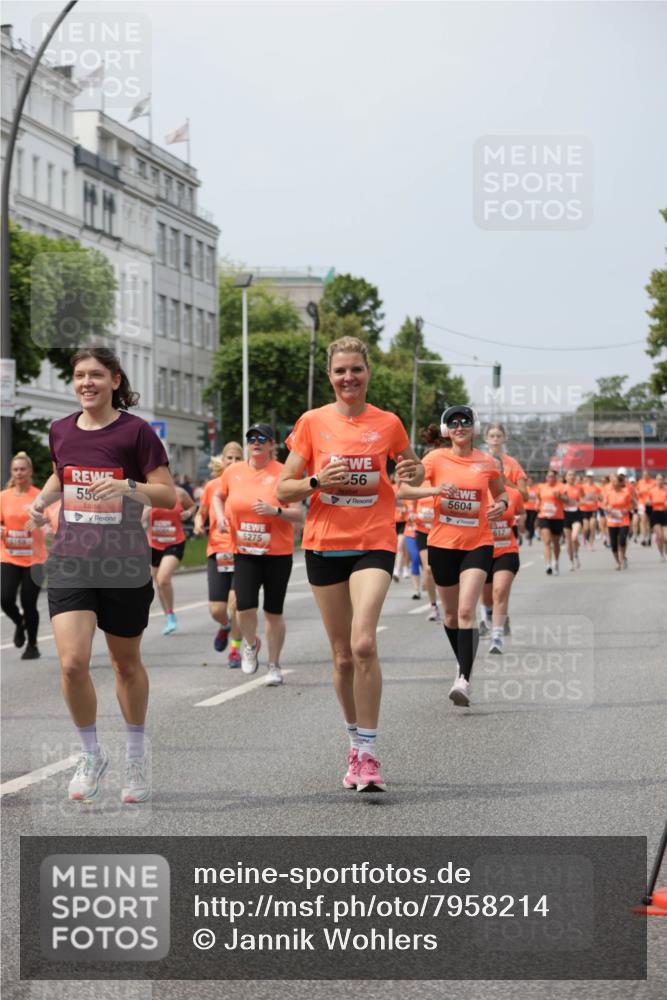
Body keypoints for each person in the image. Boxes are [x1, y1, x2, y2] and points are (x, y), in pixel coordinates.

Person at [27, 347, 175, 804]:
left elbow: (168, 495)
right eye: (79, 375)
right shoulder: (61, 430)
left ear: (115, 380)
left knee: (124, 663)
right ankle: (90, 754)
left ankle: (135, 757)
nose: (86, 382)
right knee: (72, 663)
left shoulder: (136, 432)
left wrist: (128, 486)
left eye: (95, 374)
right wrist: (43, 501)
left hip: (124, 563)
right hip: (72, 559)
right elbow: (62, 473)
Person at [277, 336, 423, 792]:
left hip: (373, 541)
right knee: (341, 657)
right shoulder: (312, 423)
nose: (348, 378)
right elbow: (284, 489)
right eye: (340, 370)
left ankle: (372, 754)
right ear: (330, 376)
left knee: (362, 644)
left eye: (356, 369)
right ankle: (355, 745)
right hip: (324, 544)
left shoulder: (389, 423)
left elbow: (411, 467)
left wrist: (412, 471)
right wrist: (318, 480)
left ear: (368, 373)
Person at [400, 405, 508, 708]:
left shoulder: (486, 462)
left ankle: (464, 678)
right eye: (453, 423)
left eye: (465, 422)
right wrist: (434, 490)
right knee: (449, 616)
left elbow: (502, 494)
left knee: (464, 612)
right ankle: (463, 661)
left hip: (478, 543)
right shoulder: (434, 458)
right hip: (442, 545)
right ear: (447, 430)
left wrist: (501, 504)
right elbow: (404, 491)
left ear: (473, 428)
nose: (460, 426)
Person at [214, 423, 303, 686]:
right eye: (251, 438)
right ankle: (251, 644)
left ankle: (274, 665)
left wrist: (275, 511)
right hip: (245, 551)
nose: (256, 442)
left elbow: (299, 514)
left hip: (277, 552)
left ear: (271, 444)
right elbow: (218, 496)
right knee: (244, 607)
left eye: (262, 438)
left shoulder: (284, 473)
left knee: (273, 612)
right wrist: (220, 517)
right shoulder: (233, 472)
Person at [193, 443, 244, 663]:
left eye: (237, 458)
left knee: (237, 604)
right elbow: (201, 513)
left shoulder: (246, 485)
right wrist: (197, 524)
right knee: (217, 609)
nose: (233, 462)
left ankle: (235, 650)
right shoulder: (212, 486)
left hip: (242, 551)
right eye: (229, 458)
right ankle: (224, 625)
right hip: (217, 550)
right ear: (221, 461)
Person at [1, 452, 48, 660]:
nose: (19, 472)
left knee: (29, 603)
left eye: (23, 469)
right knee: (5, 598)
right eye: (15, 469)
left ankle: (33, 645)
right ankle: (20, 622)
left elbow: (50, 520)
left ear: (30, 472)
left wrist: (42, 521)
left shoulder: (39, 496)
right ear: (12, 472)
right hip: (9, 555)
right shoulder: (3, 496)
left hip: (35, 558)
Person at [146, 485, 196, 634]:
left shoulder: (179, 493)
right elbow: (138, 517)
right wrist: (147, 507)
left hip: (175, 541)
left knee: (163, 579)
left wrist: (188, 513)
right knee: (158, 583)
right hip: (154, 544)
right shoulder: (147, 494)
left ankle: (171, 616)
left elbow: (193, 506)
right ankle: (169, 616)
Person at [482, 483, 525, 654]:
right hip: (483, 551)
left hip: (507, 550)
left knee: (499, 592)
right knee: (486, 598)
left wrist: (520, 523)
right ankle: (493, 613)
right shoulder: (479, 492)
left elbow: (521, 513)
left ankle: (496, 637)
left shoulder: (514, 494)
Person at [535, 470, 568, 575]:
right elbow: (538, 499)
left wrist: (559, 496)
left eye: (552, 476)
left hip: (557, 517)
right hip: (544, 516)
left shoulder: (561, 487)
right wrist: (537, 505)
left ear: (555, 477)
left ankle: (556, 562)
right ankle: (548, 565)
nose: (550, 478)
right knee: (547, 541)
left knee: (556, 542)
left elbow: (567, 500)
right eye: (548, 477)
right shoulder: (541, 487)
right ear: (546, 478)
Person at [484, 423, 528, 498]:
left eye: (499, 436)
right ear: (486, 438)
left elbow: (525, 496)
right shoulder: (480, 461)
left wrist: (505, 482)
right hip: (485, 507)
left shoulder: (512, 463)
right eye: (492, 436)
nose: (495, 439)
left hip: (507, 507)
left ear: (504, 438)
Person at [605, 468, 634, 570]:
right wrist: (607, 508)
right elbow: (604, 505)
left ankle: (623, 557)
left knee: (622, 540)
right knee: (613, 543)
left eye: (615, 481)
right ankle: (617, 562)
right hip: (612, 521)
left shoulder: (626, 493)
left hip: (623, 520)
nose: (612, 483)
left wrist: (625, 510)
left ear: (619, 483)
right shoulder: (609, 493)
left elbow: (632, 505)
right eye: (612, 481)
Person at [562, 470, 583, 570]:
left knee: (574, 538)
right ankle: (571, 561)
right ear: (566, 477)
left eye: (573, 475)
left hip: (576, 514)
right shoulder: (562, 488)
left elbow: (583, 499)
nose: (571, 477)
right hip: (565, 514)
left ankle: (576, 554)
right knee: (568, 541)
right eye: (569, 475)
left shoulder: (579, 487)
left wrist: (579, 503)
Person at [579, 471, 600, 550]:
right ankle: (584, 538)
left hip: (593, 509)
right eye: (588, 477)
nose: (589, 478)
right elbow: (579, 497)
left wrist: (597, 498)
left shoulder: (596, 487)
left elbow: (599, 497)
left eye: (591, 477)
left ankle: (591, 544)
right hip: (584, 509)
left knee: (592, 525)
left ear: (593, 477)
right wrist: (582, 501)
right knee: (586, 527)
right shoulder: (582, 487)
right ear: (586, 478)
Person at [648, 473, 666, 561]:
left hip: (665, 513)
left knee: (665, 537)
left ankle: (665, 549)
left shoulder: (666, 490)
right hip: (655, 514)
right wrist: (649, 502)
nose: (659, 481)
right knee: (659, 536)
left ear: (663, 480)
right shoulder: (652, 490)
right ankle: (661, 554)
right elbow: (648, 501)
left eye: (660, 479)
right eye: (657, 479)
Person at [637, 469, 654, 546]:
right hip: (642, 504)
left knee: (650, 522)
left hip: (651, 504)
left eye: (647, 475)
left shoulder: (653, 482)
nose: (645, 476)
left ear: (649, 475)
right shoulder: (640, 482)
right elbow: (636, 492)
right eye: (644, 475)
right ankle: (644, 538)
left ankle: (649, 537)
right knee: (643, 520)